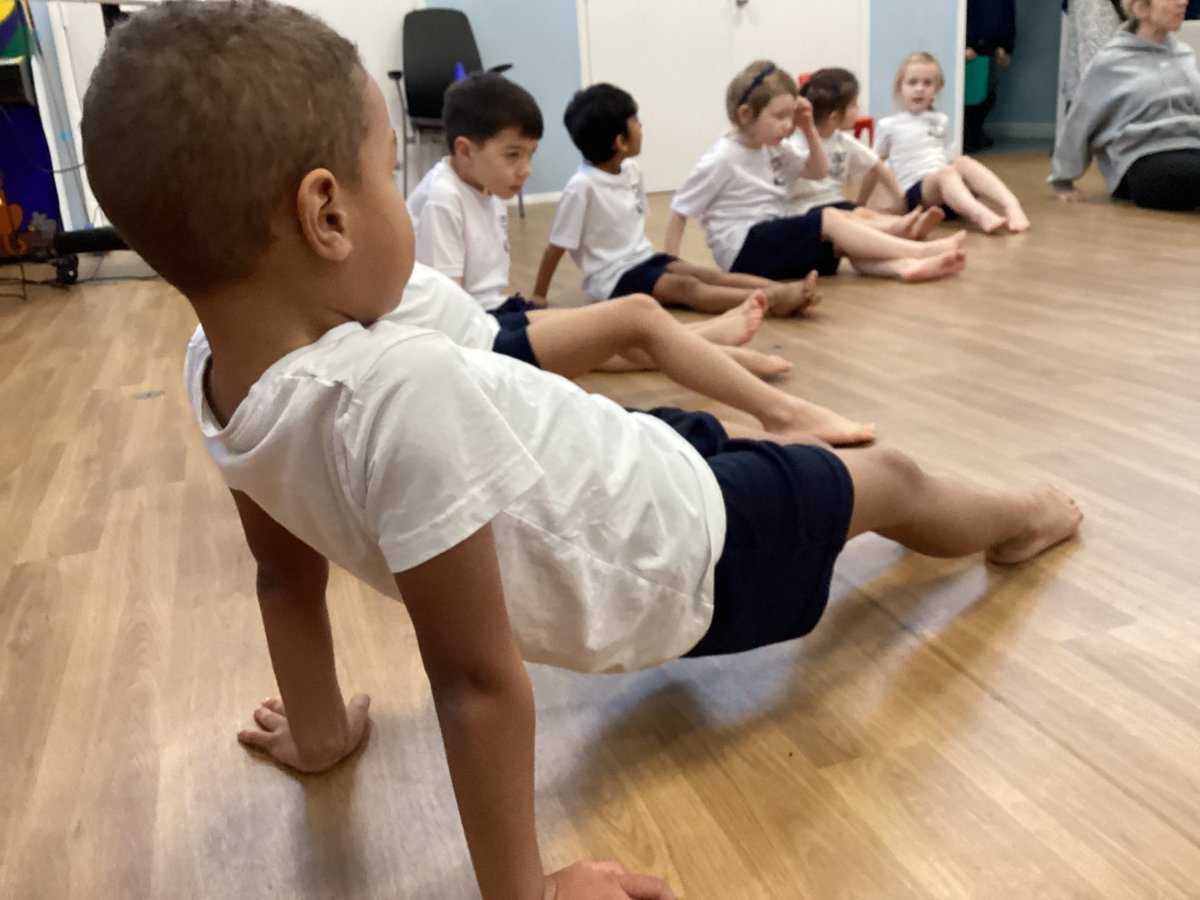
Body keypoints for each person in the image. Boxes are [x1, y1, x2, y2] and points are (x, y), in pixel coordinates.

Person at [79, 3, 1084, 898]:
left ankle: (801, 457)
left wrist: (324, 731)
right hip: (682, 551)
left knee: (732, 444)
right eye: (391, 173)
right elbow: (474, 679)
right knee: (890, 481)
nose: (406, 199)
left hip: (620, 462)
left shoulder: (215, 368)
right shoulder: (391, 398)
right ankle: (1026, 517)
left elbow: (282, 577)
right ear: (326, 213)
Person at [389, 261, 877, 444]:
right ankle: (784, 413)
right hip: (484, 350)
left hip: (487, 324)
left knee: (619, 342)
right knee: (636, 316)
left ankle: (712, 338)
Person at [667, 60, 968, 284]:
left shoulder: (773, 145)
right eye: (780, 117)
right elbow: (679, 209)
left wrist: (808, 128)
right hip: (745, 250)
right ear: (745, 115)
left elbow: (818, 171)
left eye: (790, 116)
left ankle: (903, 266)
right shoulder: (722, 157)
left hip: (771, 239)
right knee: (829, 219)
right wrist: (670, 268)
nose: (788, 125)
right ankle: (915, 249)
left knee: (840, 243)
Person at [535, 83, 820, 317]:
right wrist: (538, 295)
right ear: (619, 142)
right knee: (687, 288)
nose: (642, 126)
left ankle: (785, 290)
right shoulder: (582, 187)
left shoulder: (631, 171)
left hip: (642, 258)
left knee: (702, 273)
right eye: (635, 121)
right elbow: (555, 248)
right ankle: (771, 300)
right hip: (614, 279)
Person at [1051, 0, 1200, 211]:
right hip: (1141, 161)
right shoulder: (1111, 61)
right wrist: (1062, 181)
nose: (1183, 1)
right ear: (1141, 8)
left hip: (1191, 150)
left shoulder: (1185, 55)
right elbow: (1079, 121)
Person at [875, 51, 1031, 234]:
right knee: (946, 172)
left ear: (937, 89)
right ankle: (980, 214)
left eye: (927, 83)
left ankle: (1011, 204)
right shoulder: (889, 125)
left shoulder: (940, 119)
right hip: (916, 194)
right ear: (900, 88)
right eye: (912, 82)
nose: (919, 88)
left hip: (948, 193)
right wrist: (893, 198)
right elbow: (875, 164)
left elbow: (937, 156)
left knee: (962, 161)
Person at [789, 67, 947, 240]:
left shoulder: (841, 140)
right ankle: (899, 228)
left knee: (863, 214)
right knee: (855, 219)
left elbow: (877, 165)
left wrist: (900, 200)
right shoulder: (797, 143)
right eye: (854, 105)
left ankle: (902, 225)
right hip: (808, 211)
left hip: (834, 202)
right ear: (834, 117)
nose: (859, 108)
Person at [964, 0, 1017, 153]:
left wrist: (1006, 47)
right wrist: (966, 43)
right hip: (972, 45)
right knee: (972, 96)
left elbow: (1007, 15)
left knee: (987, 93)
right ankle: (969, 135)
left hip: (990, 46)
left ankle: (974, 132)